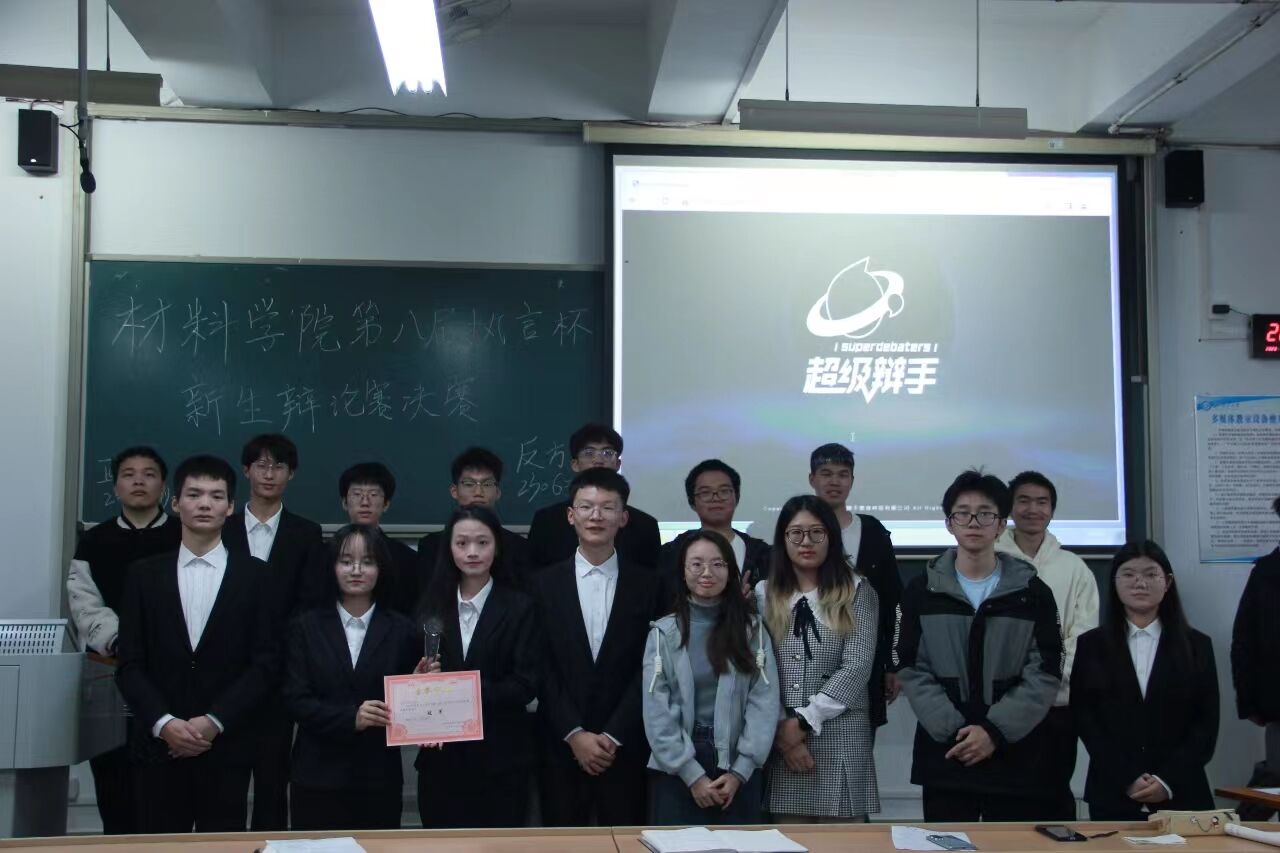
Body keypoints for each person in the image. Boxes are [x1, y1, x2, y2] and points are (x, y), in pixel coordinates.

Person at [115, 455, 278, 833]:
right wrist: (165, 723)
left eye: (216, 496)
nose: (205, 504)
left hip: (227, 745)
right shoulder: (143, 575)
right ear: (175, 503)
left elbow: (266, 663)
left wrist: (214, 721)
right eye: (194, 494)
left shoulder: (257, 577)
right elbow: (130, 664)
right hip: (158, 748)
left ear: (230, 506)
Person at [894, 470, 1062, 822]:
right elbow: (911, 667)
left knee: (1012, 844)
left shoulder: (1032, 593)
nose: (973, 522)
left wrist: (994, 732)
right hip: (946, 754)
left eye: (985, 514)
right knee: (948, 843)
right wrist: (956, 732)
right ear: (949, 523)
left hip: (1014, 754)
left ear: (1001, 525)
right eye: (963, 513)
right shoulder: (922, 591)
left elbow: (1045, 672)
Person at [533, 467, 659, 826]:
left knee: (626, 841)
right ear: (570, 515)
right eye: (586, 506)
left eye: (607, 507)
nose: (596, 516)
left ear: (623, 517)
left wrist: (613, 734)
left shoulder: (650, 585)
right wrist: (574, 734)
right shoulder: (541, 584)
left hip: (626, 744)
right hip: (560, 745)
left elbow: (652, 666)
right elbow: (539, 664)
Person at [67, 446, 181, 835]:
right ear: (115, 486)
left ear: (163, 486)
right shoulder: (94, 540)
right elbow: (84, 603)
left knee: (166, 784)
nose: (138, 481)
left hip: (169, 675)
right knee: (113, 778)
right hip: (109, 673)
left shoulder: (183, 535)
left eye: (149, 474)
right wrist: (124, 642)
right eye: (129, 474)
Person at [283, 524, 428, 831]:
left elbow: (409, 709)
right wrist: (352, 718)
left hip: (378, 777)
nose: (357, 570)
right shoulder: (304, 627)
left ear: (381, 569)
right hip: (316, 776)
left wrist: (417, 688)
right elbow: (295, 699)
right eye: (346, 561)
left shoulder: (404, 631)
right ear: (332, 567)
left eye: (368, 561)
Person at [221, 433, 325, 831]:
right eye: (261, 465)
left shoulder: (306, 533)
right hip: (225, 674)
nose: (269, 474)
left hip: (281, 676)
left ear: (291, 474)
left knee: (273, 778)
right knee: (225, 780)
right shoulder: (221, 528)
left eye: (278, 466)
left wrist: (275, 656)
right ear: (246, 470)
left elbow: (310, 604)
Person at [755, 495, 880, 822]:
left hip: (841, 735)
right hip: (780, 738)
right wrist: (784, 731)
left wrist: (803, 722)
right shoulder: (764, 593)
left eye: (816, 532)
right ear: (783, 539)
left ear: (831, 537)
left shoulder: (857, 590)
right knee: (788, 838)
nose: (806, 542)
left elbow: (856, 667)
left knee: (842, 840)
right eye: (796, 533)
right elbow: (758, 669)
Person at [1072, 540, 1219, 819]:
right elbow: (1086, 720)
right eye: (1128, 574)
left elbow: (1206, 724)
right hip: (1113, 794)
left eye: (1151, 574)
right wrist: (1126, 777)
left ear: (1168, 582)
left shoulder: (1197, 645)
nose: (1140, 583)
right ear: (1114, 582)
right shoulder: (1091, 645)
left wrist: (1167, 781)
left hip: (1182, 793)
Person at [415, 506, 540, 828]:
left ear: (497, 547)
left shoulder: (520, 607)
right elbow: (414, 678)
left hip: (501, 760)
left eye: (482, 543)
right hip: (440, 762)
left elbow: (526, 684)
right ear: (449, 548)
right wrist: (417, 683)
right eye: (462, 543)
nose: (472, 552)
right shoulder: (430, 606)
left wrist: (460, 691)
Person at [644, 530, 779, 825]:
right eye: (697, 564)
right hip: (678, 766)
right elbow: (657, 712)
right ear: (682, 572)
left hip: (738, 764)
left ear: (731, 572)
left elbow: (764, 702)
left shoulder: (752, 630)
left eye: (718, 564)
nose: (707, 573)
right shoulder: (663, 632)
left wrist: (741, 770)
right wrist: (692, 775)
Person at [996, 470, 1100, 819]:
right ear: (1009, 507)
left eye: (1042, 502)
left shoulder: (1074, 568)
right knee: (1003, 804)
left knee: (1053, 798)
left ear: (1052, 510)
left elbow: (1083, 635)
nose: (1033, 509)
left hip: (1056, 704)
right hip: (1000, 704)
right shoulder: (988, 558)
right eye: (1023, 501)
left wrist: (1045, 679)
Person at [808, 443, 902, 729]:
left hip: (866, 659)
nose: (834, 482)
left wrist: (893, 664)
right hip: (809, 659)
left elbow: (892, 601)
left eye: (842, 474)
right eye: (826, 474)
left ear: (852, 480)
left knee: (858, 742)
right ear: (812, 479)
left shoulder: (872, 531)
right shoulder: (799, 530)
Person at [527, 423, 661, 570]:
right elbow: (535, 577)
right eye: (589, 453)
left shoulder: (645, 526)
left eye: (607, 453)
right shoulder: (546, 522)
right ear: (575, 464)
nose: (598, 460)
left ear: (618, 464)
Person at [656, 459, 771, 609]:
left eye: (724, 491)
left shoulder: (763, 555)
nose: (716, 498)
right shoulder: (671, 554)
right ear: (692, 502)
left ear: (736, 498)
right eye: (705, 493)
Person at [416, 447, 532, 590]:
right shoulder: (431, 546)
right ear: (454, 491)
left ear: (497, 492)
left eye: (487, 484)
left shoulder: (519, 548)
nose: (478, 492)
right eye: (469, 484)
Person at [1232, 496, 1280, 817]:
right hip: (1278, 705)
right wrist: (1248, 701)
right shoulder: (1266, 571)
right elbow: (1244, 639)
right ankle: (1240, 826)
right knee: (1276, 777)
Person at [338, 462, 419, 617]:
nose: (365, 502)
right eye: (357, 494)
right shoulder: (325, 555)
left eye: (374, 495)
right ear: (344, 503)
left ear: (386, 504)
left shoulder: (407, 559)